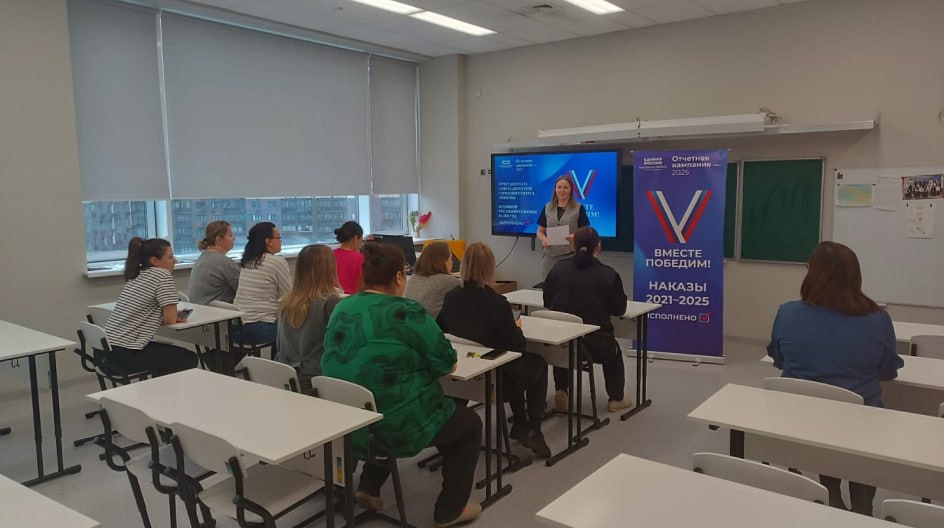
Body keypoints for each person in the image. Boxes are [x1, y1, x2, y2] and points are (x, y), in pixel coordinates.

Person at [322, 242, 482, 528]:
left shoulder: (341, 306)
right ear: (399, 277)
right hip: (396, 426)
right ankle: (450, 510)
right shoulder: (407, 311)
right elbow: (447, 364)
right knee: (469, 423)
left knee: (378, 399)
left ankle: (369, 486)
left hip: (348, 424)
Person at [767, 241, 902, 516]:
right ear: (856, 276)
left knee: (825, 430)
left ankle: (831, 494)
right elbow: (888, 372)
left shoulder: (787, 313)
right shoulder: (878, 319)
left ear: (812, 273)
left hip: (799, 421)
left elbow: (780, 361)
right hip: (860, 424)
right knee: (857, 439)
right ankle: (862, 508)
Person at [437, 242, 551, 457]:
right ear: (489, 268)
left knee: (515, 363)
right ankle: (532, 429)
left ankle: (521, 422)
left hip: (462, 372)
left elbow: (442, 329)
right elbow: (517, 346)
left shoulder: (451, 297)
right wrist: (516, 328)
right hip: (495, 379)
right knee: (537, 363)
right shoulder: (497, 303)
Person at [543, 226, 631, 413]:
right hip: (596, 347)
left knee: (565, 340)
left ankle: (561, 390)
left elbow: (547, 301)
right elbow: (619, 310)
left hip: (562, 344)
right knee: (614, 353)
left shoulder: (557, 269)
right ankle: (616, 399)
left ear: (573, 245)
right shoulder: (608, 274)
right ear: (598, 246)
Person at [103, 238, 198, 376]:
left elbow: (145, 313)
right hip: (124, 355)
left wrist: (167, 315)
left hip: (106, 352)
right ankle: (161, 389)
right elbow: (170, 320)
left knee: (170, 354)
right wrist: (172, 315)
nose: (175, 261)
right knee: (188, 358)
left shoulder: (138, 274)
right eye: (170, 257)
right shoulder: (163, 275)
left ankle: (158, 387)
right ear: (154, 261)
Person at [276, 244, 340, 393]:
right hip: (315, 381)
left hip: (285, 375)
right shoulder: (330, 303)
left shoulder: (286, 302)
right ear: (330, 270)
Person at [233, 222, 291, 349]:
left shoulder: (248, 261)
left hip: (237, 327)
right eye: (279, 237)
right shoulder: (277, 262)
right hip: (259, 328)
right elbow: (287, 297)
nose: (280, 241)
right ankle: (280, 361)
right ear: (268, 241)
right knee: (297, 329)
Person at [535, 174, 590, 280]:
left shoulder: (578, 208)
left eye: (565, 187)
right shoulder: (547, 207)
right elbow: (540, 232)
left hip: (571, 255)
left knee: (569, 285)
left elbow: (586, 232)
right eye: (559, 187)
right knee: (549, 285)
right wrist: (545, 240)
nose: (562, 190)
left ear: (571, 190)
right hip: (550, 256)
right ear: (555, 189)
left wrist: (575, 237)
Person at [187, 220, 240, 305]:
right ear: (219, 240)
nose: (234, 238)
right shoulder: (224, 262)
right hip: (215, 311)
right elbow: (243, 291)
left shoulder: (201, 258)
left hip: (198, 310)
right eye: (230, 235)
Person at [404, 241, 461, 319]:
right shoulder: (449, 281)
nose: (452, 263)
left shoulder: (413, 278)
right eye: (450, 259)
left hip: (407, 323)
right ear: (444, 261)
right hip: (428, 325)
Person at [333, 221, 364, 294]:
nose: (361, 244)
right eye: (361, 241)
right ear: (355, 238)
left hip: (333, 298)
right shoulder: (360, 258)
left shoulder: (329, 255)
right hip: (353, 299)